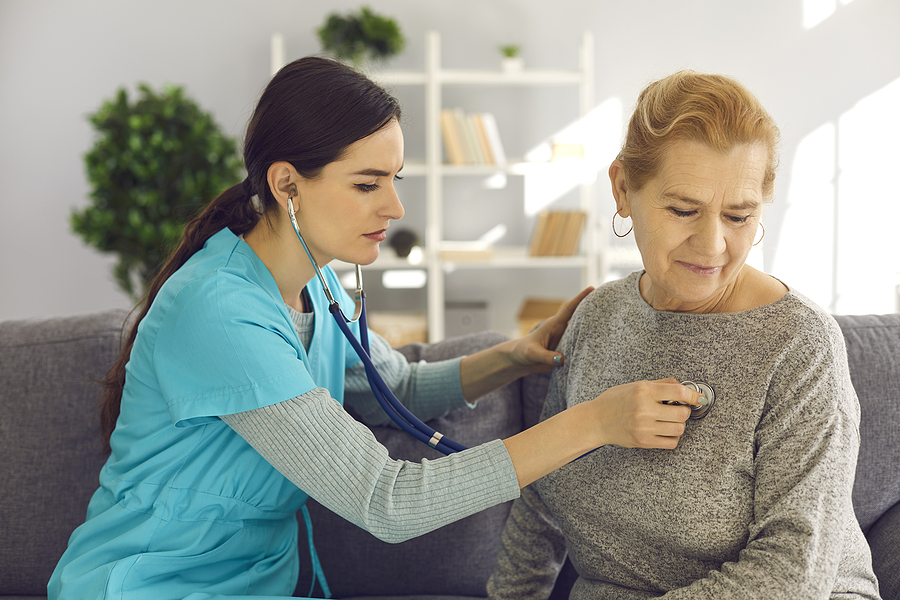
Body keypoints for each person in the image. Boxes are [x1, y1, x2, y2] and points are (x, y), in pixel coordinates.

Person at [48, 57, 704, 600]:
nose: (394, 207)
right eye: (367, 184)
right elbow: (389, 503)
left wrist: (516, 357)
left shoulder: (318, 280)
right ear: (287, 185)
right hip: (150, 587)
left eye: (394, 179)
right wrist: (594, 422)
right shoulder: (221, 313)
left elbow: (397, 390)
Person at [487, 70, 882, 599]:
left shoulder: (798, 345)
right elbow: (542, 499)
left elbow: (793, 573)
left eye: (739, 215)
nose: (712, 244)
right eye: (683, 210)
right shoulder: (599, 316)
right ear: (623, 188)